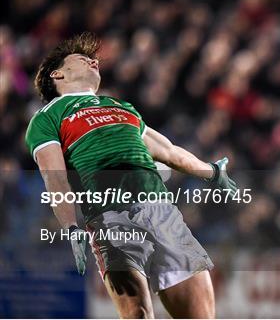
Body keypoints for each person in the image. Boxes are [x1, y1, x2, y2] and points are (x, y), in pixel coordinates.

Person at [26, 32, 237, 318]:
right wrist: (70, 227)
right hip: (110, 217)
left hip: (162, 212)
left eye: (94, 59)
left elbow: (170, 151)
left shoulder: (120, 107)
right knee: (137, 314)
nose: (92, 61)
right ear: (58, 74)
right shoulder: (47, 117)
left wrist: (212, 172)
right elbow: (55, 178)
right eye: (81, 58)